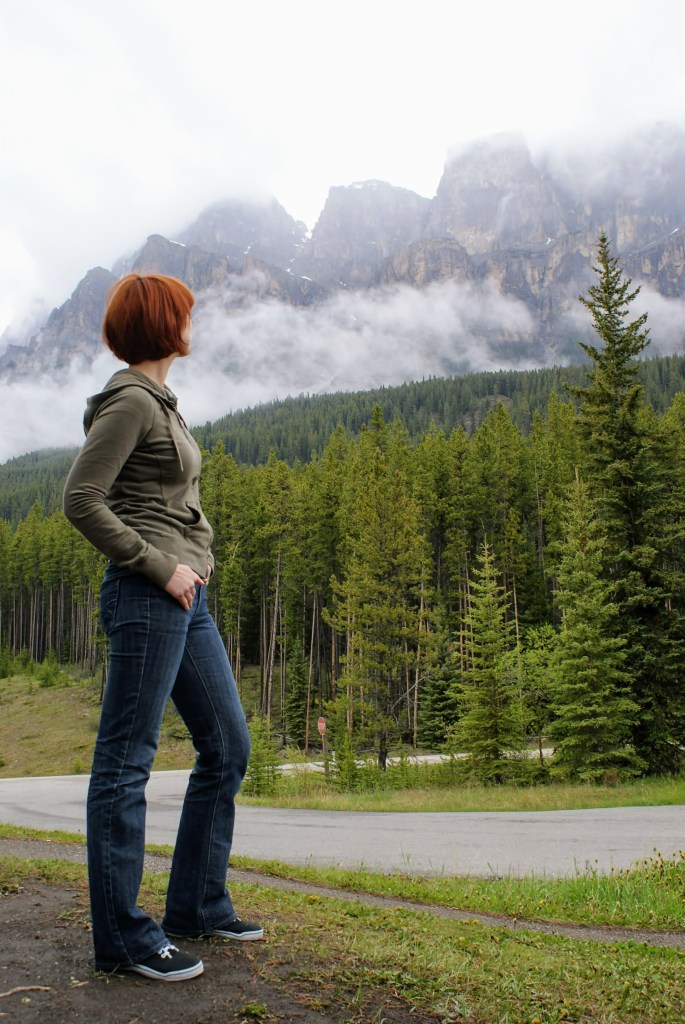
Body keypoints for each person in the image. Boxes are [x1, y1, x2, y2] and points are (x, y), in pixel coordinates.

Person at [63, 273, 261, 983]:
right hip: (150, 594)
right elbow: (81, 498)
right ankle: (122, 939)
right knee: (125, 762)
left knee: (227, 745)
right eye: (185, 312)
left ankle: (197, 905)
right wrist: (157, 564)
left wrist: (190, 565)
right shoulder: (129, 401)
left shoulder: (158, 400)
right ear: (163, 322)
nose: (191, 321)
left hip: (186, 597)